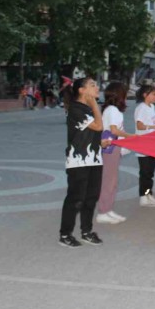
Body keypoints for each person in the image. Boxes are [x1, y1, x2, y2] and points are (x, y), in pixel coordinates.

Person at [59, 77, 107, 248]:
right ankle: (65, 234)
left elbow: (91, 134)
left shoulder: (86, 109)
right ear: (81, 90)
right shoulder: (76, 109)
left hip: (94, 158)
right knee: (76, 198)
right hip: (78, 161)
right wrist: (95, 104)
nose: (97, 88)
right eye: (92, 85)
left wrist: (100, 143)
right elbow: (98, 126)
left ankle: (86, 231)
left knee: (91, 197)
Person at [96, 82, 133, 224]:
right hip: (110, 147)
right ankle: (103, 211)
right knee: (108, 180)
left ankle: (108, 209)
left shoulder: (113, 110)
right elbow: (114, 131)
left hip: (113, 147)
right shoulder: (112, 110)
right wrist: (132, 137)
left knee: (112, 180)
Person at [133, 84, 155, 208]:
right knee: (145, 173)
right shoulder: (141, 108)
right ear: (145, 95)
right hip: (143, 146)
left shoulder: (151, 106)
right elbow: (140, 126)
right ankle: (143, 196)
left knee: (150, 173)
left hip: (153, 145)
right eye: (154, 94)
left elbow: (154, 121)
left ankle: (148, 194)